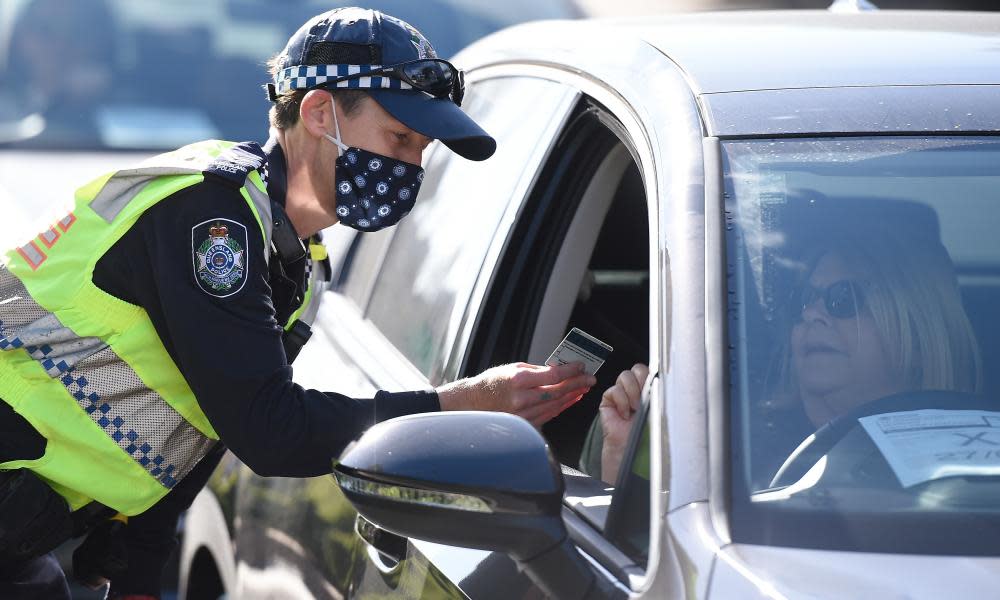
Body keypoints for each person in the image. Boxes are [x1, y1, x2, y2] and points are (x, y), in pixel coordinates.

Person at [0, 8, 595, 599]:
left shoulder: (290, 255)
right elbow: (269, 429)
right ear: (317, 113)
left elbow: (205, 425)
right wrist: (463, 403)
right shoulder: (212, 221)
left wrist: (137, 570)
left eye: (421, 149)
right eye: (400, 138)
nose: (412, 166)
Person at [591, 221, 982, 486]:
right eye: (802, 302)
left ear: (913, 323)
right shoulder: (722, 447)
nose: (813, 315)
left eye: (841, 299)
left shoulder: (980, 453)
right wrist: (626, 459)